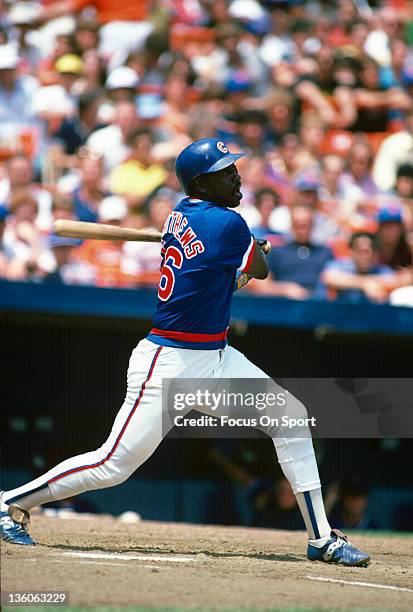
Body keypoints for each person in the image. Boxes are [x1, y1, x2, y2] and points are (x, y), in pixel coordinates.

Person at [0, 139, 370, 567]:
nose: (236, 177)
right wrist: (254, 248)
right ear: (202, 182)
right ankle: (10, 501)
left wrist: (243, 253)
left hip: (215, 359)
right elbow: (260, 270)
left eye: (234, 168)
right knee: (112, 465)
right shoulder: (226, 225)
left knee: (289, 418)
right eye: (225, 172)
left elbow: (220, 279)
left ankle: (321, 538)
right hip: (168, 365)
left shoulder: (182, 214)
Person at [251, 206, 333, 300]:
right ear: (292, 226)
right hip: (285, 305)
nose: (303, 230)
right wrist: (285, 289)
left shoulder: (325, 252)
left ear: (312, 226)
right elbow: (261, 286)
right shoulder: (277, 252)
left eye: (306, 225)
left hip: (318, 304)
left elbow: (334, 279)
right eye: (298, 225)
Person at [320, 232, 394, 304]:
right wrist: (365, 284)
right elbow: (328, 277)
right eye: (362, 251)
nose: (367, 256)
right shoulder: (341, 265)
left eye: (372, 250)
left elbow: (394, 280)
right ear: (351, 251)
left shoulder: (381, 270)